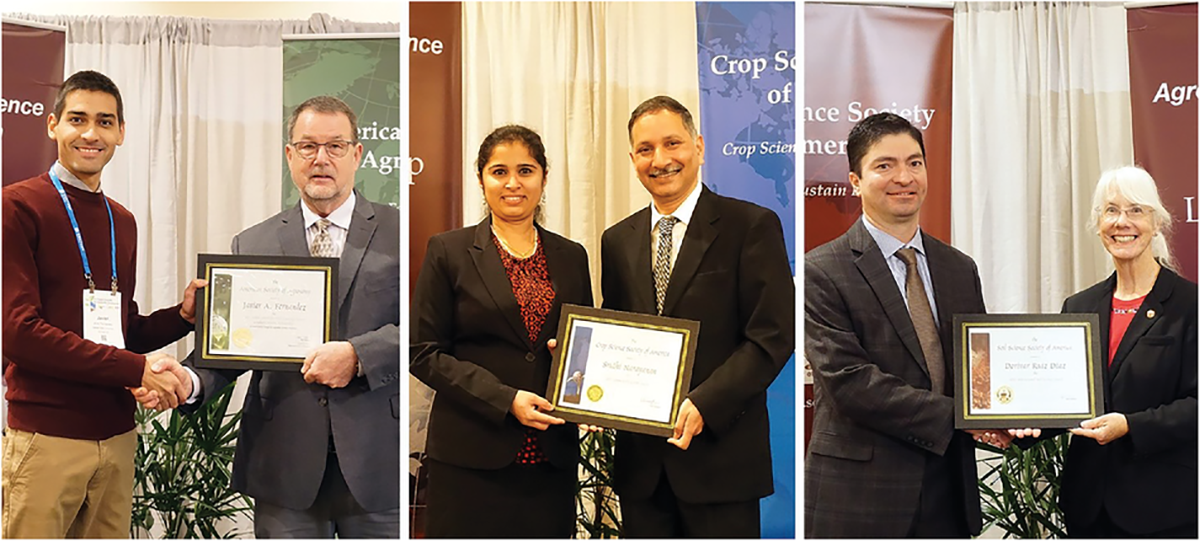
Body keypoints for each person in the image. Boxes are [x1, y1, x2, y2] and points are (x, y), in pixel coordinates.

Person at [138, 96, 401, 537]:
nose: (321, 159)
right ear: (289, 156)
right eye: (307, 146)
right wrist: (189, 380)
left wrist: (358, 355)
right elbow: (233, 345)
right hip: (285, 466)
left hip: (377, 463)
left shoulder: (401, 231)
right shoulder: (252, 243)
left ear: (357, 154)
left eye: (335, 146)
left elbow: (424, 332)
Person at [1, 70, 200, 538]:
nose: (91, 134)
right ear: (53, 126)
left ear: (121, 133)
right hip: (47, 437)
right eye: (77, 119)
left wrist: (183, 317)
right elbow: (19, 332)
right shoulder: (17, 207)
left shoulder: (122, 221)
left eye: (105, 122)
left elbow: (118, 328)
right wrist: (135, 370)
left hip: (116, 436)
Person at [804, 112, 1011, 537]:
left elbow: (980, 372)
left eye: (915, 162)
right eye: (885, 165)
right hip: (860, 498)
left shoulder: (959, 268)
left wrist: (1013, 411)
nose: (904, 176)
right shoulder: (820, 270)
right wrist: (966, 417)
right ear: (855, 180)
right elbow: (850, 383)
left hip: (947, 492)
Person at [600, 96, 794, 538]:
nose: (661, 159)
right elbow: (617, 331)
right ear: (632, 159)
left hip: (721, 461)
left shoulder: (751, 226)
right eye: (645, 149)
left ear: (700, 147)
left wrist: (706, 403)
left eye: (673, 143)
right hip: (643, 471)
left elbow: (772, 335)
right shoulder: (617, 240)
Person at [410, 125, 593, 537]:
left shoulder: (571, 256)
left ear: (544, 178)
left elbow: (584, 347)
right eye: (499, 171)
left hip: (551, 458)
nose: (513, 183)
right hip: (471, 456)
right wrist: (505, 399)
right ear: (481, 179)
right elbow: (422, 351)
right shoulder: (449, 251)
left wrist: (588, 381)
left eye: (526, 170)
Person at [1021, 166, 1197, 537]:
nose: (1122, 222)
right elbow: (1061, 399)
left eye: (1136, 210)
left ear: (1156, 221)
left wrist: (1130, 425)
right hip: (1087, 508)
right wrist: (1020, 423)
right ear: (1097, 223)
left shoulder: (1190, 305)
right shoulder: (1079, 306)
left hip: (1164, 508)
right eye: (1110, 210)